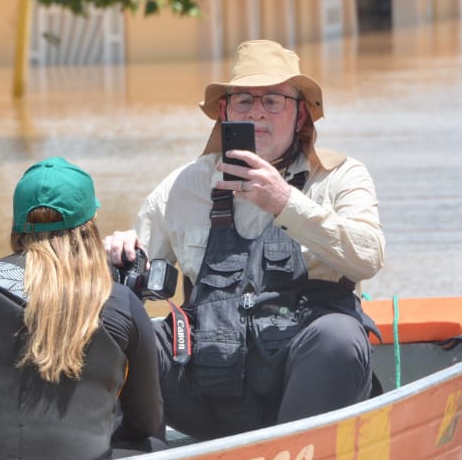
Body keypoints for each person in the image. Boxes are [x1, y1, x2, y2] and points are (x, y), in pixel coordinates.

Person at [104, 39, 385, 439]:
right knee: (123, 331)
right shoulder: (185, 186)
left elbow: (368, 257)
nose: (257, 113)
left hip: (306, 388)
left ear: (301, 113)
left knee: (338, 338)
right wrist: (119, 255)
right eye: (243, 102)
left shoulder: (340, 177)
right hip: (210, 386)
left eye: (273, 100)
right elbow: (138, 279)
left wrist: (285, 202)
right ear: (224, 112)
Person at [0, 157, 163, 460]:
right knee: (154, 445)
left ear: (17, 225)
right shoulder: (118, 301)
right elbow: (148, 420)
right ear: (90, 225)